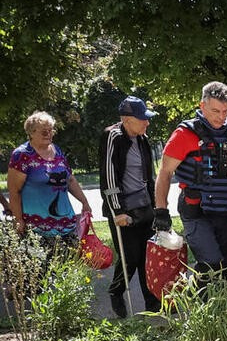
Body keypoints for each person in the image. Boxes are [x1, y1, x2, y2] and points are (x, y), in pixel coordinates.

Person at [153, 81, 227, 280]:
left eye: (225, 111)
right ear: (202, 105)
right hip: (196, 208)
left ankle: (226, 309)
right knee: (210, 266)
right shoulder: (185, 133)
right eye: (215, 111)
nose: (221, 117)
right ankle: (203, 305)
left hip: (225, 208)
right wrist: (161, 211)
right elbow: (164, 173)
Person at [99, 96, 161, 318]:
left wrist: (157, 206)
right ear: (126, 120)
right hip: (124, 209)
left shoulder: (142, 138)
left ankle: (152, 302)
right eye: (142, 119)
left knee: (148, 256)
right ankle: (116, 292)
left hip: (144, 206)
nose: (147, 123)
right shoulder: (113, 137)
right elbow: (109, 176)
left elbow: (149, 176)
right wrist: (117, 211)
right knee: (130, 257)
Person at [7, 111, 91, 249]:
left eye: (51, 130)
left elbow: (70, 180)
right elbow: (14, 191)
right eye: (44, 132)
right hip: (36, 227)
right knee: (43, 269)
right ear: (31, 133)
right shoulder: (22, 155)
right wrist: (18, 220)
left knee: (68, 267)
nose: (49, 134)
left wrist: (84, 202)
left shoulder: (57, 150)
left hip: (66, 224)